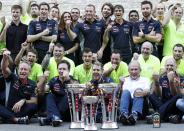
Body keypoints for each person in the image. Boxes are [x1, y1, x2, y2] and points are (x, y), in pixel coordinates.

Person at [0, 50, 37, 124]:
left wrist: (23, 101)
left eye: (25, 69)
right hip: (8, 108)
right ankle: (16, 119)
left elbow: (34, 100)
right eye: (21, 69)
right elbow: (4, 68)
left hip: (21, 110)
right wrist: (4, 58)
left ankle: (7, 118)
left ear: (29, 72)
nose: (23, 71)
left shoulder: (32, 84)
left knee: (33, 106)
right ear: (18, 70)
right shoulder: (13, 77)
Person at [38, 60, 78, 127]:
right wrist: (44, 80)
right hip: (56, 107)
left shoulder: (73, 80)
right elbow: (42, 91)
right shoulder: (54, 80)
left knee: (68, 95)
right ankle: (55, 118)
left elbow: (77, 89)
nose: (61, 71)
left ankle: (50, 119)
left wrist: (67, 78)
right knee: (49, 95)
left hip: (68, 112)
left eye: (64, 69)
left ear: (68, 70)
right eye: (60, 69)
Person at [148, 58, 183, 123]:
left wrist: (171, 82)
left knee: (178, 96)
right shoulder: (162, 77)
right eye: (167, 65)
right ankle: (170, 117)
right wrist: (156, 82)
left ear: (176, 66)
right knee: (150, 95)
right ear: (165, 66)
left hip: (174, 105)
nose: (169, 67)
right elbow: (159, 94)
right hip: (164, 103)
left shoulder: (181, 78)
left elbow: (178, 95)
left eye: (171, 65)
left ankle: (157, 115)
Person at [119, 60, 150, 125]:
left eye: (136, 69)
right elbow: (120, 94)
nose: (134, 71)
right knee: (126, 92)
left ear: (140, 70)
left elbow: (148, 91)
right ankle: (123, 115)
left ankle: (134, 115)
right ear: (128, 71)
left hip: (141, 105)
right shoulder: (125, 80)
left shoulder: (145, 80)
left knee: (138, 91)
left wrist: (142, 92)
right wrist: (120, 84)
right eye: (132, 69)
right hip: (127, 105)